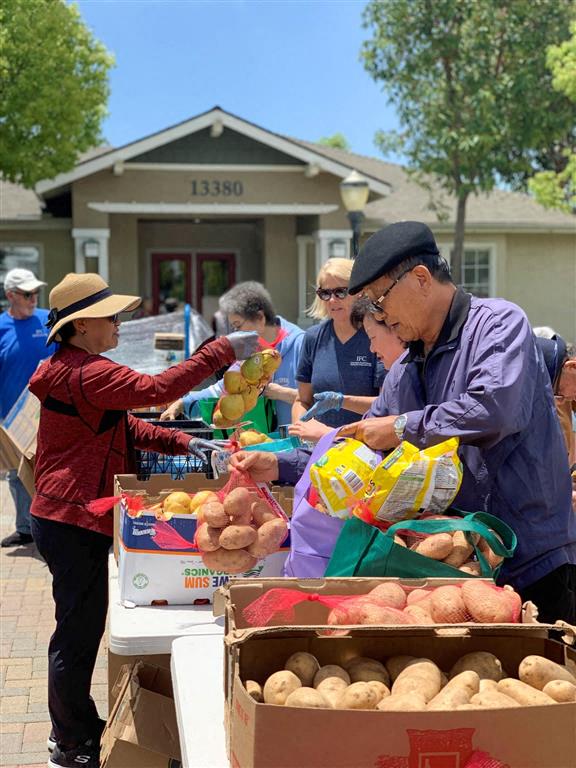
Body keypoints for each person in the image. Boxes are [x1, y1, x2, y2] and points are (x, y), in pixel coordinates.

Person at [28, 272, 259, 768]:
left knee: (79, 626)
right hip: (71, 518)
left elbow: (126, 425)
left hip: (65, 513)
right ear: (83, 324)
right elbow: (157, 387)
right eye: (110, 316)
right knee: (76, 632)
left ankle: (75, 730)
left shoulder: (78, 368)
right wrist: (220, 352)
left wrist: (187, 442)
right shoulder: (87, 372)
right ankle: (71, 742)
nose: (118, 323)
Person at [339, 220, 576, 624]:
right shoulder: (408, 365)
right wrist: (283, 465)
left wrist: (401, 428)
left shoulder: (499, 324)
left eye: (380, 300)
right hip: (459, 570)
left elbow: (492, 409)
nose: (379, 314)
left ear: (420, 279)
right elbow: (365, 439)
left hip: (534, 561)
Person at [160, 281, 304, 428]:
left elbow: (322, 400)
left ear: (260, 318)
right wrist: (182, 404)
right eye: (233, 327)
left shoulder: (302, 344)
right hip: (263, 445)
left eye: (238, 325)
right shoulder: (250, 349)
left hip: (300, 447)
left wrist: (282, 393)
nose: (236, 333)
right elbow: (224, 388)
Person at [289, 258, 384, 443]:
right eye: (325, 293)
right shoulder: (313, 338)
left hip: (363, 450)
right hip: (318, 449)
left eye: (341, 292)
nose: (332, 300)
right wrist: (301, 429)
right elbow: (302, 400)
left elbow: (385, 406)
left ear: (359, 292)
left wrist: (333, 434)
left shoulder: (376, 335)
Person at [0, 268, 57, 548]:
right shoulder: (1, 327)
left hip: (53, 411)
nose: (33, 297)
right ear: (10, 296)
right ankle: (24, 528)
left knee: (54, 469)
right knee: (16, 473)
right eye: (26, 293)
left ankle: (55, 524)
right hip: (12, 417)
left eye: (35, 292)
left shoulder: (48, 320)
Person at [300, 296, 407, 422]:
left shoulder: (413, 371)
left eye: (372, 338)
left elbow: (391, 424)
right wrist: (342, 401)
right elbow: (382, 409)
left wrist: (329, 435)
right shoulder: (397, 372)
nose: (371, 349)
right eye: (324, 293)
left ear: (394, 328)